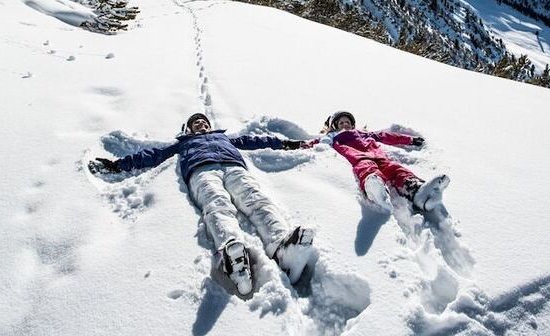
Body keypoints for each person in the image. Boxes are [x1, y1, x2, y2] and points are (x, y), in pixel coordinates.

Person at [88, 112, 313, 295]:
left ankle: (282, 248)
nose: (201, 124)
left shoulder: (224, 137)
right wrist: (117, 165)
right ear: (189, 129)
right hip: (201, 171)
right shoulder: (182, 143)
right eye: (196, 123)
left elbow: (257, 141)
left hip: (234, 167)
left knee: (257, 200)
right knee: (217, 205)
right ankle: (233, 255)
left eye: (204, 122)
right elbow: (151, 155)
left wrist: (291, 145)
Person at [304, 110, 449, 213]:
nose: (345, 124)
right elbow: (316, 142)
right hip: (359, 158)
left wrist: (410, 139)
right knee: (367, 168)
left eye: (347, 122)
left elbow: (387, 136)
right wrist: (292, 145)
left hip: (380, 157)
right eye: (341, 122)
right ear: (334, 126)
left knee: (396, 169)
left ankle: (417, 191)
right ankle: (374, 188)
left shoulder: (365, 133)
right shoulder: (333, 136)